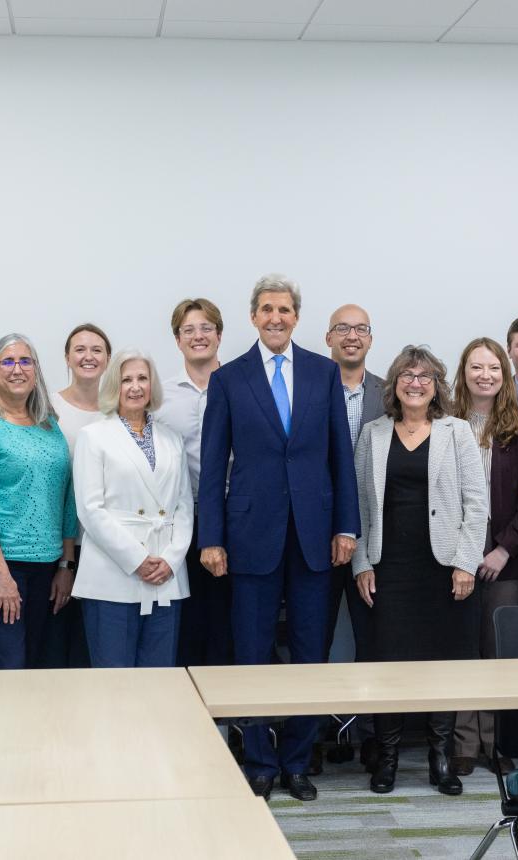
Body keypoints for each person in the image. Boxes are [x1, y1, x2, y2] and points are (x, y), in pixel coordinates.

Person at [198, 274, 361, 802]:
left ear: (296, 317)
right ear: (252, 316)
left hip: (315, 534)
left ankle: (297, 761)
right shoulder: (229, 379)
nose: (275, 317)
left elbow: (341, 457)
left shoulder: (323, 372)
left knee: (311, 652)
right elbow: (212, 467)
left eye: (285, 309)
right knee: (252, 651)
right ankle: (260, 762)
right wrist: (211, 538)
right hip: (249, 534)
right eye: (266, 309)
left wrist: (346, 525)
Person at [352, 345, 488, 796]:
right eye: (408, 375)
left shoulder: (457, 432)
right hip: (388, 568)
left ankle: (440, 758)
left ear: (437, 386)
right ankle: (387, 758)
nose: (416, 383)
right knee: (388, 663)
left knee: (441, 664)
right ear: (395, 384)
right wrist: (361, 563)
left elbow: (476, 502)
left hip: (443, 567)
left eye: (425, 376)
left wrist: (466, 562)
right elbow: (358, 505)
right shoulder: (373, 433)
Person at [0, 334, 78, 670]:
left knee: (38, 665)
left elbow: (66, 497)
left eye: (25, 361)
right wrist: (2, 576)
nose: (17, 369)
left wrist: (66, 565)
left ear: (36, 371)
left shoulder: (49, 426)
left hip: (46, 565)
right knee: (9, 666)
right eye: (7, 361)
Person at [448, 337, 518, 777]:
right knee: (463, 645)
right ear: (463, 372)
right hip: (454, 552)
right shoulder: (445, 423)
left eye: (494, 369)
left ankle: (498, 740)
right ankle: (466, 742)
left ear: (505, 376)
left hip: (507, 553)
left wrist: (504, 547)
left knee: (498, 648)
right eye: (476, 367)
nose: (485, 375)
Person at [73, 349, 191, 667]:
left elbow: (183, 505)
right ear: (114, 386)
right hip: (113, 575)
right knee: (115, 683)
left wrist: (171, 559)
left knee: (160, 680)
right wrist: (138, 560)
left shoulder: (171, 439)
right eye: (127, 380)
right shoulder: (93, 436)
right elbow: (90, 509)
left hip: (166, 574)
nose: (135, 387)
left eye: (142, 378)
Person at [321, 303, 384, 767]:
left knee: (375, 641)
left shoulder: (391, 391)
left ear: (370, 338)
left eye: (360, 329)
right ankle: (315, 734)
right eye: (342, 328)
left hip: (377, 539)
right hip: (315, 536)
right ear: (328, 338)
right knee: (311, 639)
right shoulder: (308, 387)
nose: (351, 336)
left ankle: (375, 738)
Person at [155, 298, 231, 668]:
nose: (198, 336)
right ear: (177, 339)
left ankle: (230, 723)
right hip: (180, 521)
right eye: (189, 330)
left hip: (234, 518)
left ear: (219, 335)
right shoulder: (160, 397)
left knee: (228, 624)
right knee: (186, 621)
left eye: (206, 328)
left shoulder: (242, 386)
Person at [43, 322, 112, 669]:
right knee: (60, 644)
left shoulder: (117, 411)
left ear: (108, 359)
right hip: (58, 544)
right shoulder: (48, 409)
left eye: (96, 350)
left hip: (105, 546)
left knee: (93, 646)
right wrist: (65, 560)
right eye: (80, 350)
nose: (88, 356)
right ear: (67, 358)